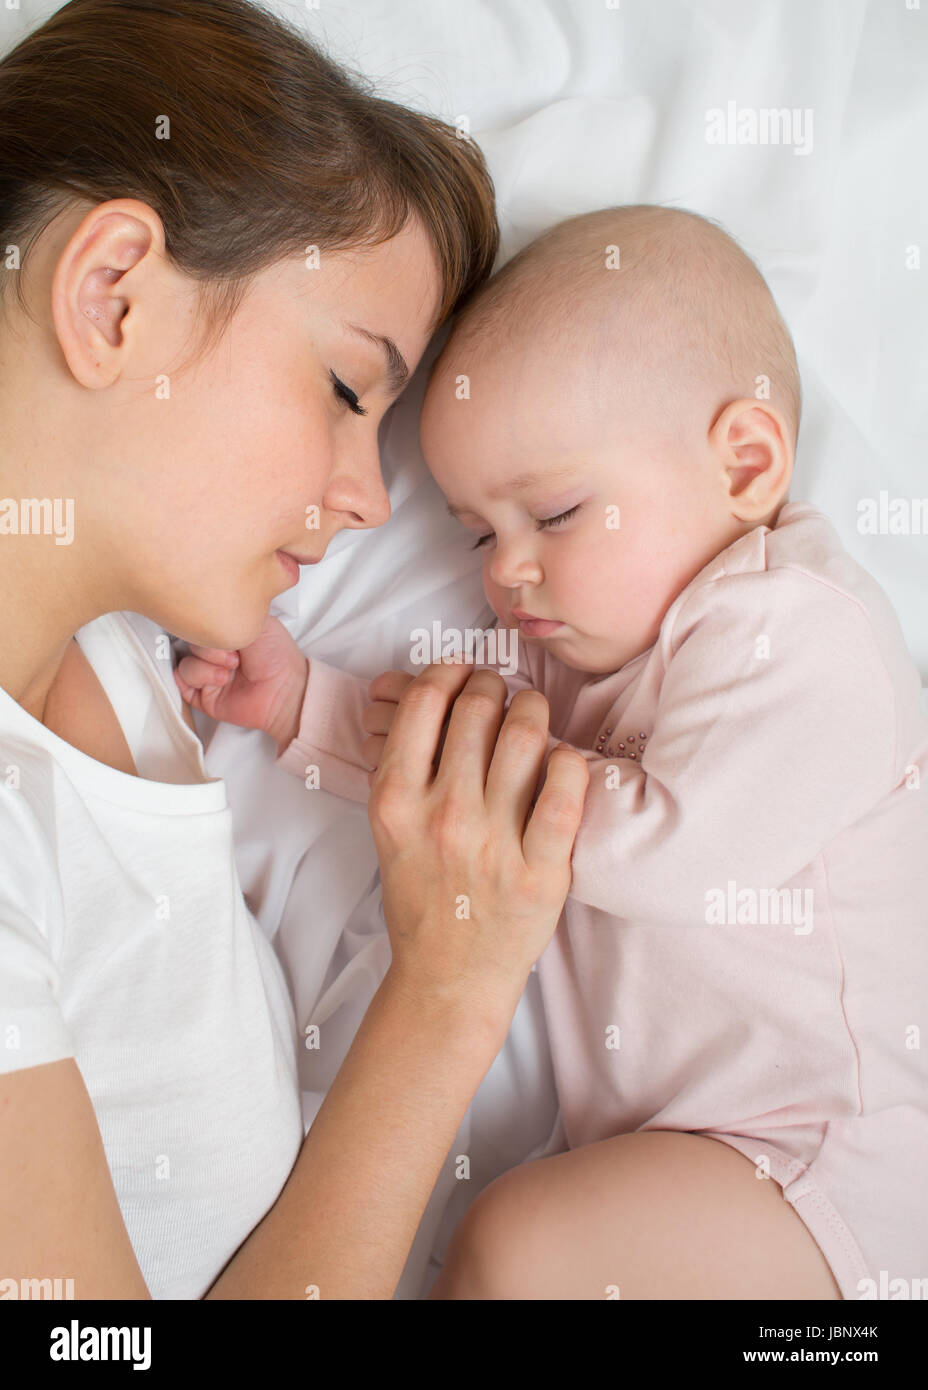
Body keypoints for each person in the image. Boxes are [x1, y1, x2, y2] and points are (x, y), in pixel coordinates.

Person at [185, 205, 928, 1299]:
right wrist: (302, 703)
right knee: (521, 1246)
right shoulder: (569, 660)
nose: (509, 573)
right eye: (480, 534)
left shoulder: (802, 631)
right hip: (689, 1162)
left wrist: (485, 768)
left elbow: (672, 854)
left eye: (558, 513)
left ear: (746, 460)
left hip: (829, 1171)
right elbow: (449, 774)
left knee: (517, 1248)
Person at [0, 0, 591, 1301]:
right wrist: (448, 992)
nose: (374, 498)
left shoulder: (123, 643)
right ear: (112, 298)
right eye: (343, 389)